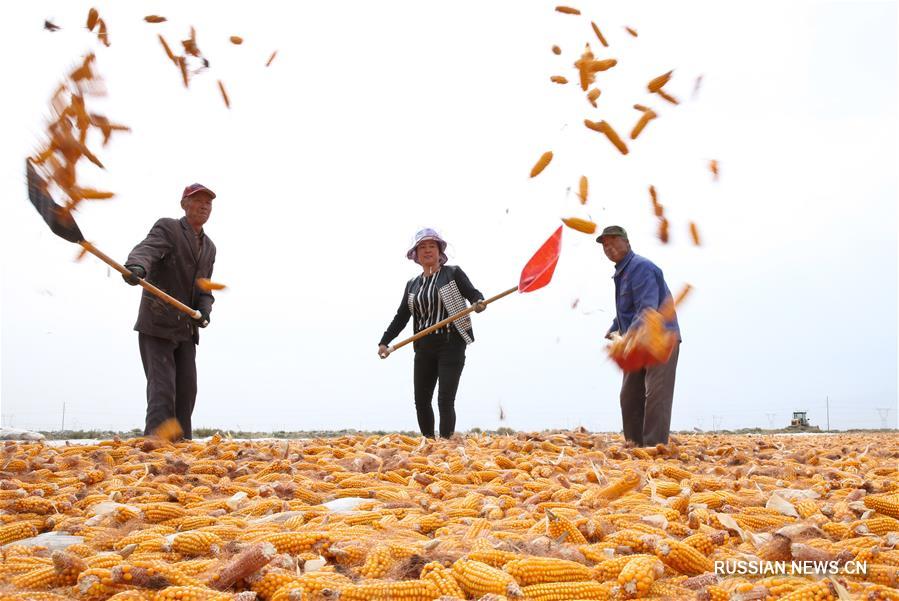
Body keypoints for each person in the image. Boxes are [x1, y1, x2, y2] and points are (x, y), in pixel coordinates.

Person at [122, 184, 217, 440]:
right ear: (184, 204)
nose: (204, 206)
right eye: (197, 200)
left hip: (186, 329)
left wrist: (205, 311)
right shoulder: (169, 228)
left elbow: (204, 288)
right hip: (158, 324)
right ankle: (155, 446)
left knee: (187, 391)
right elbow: (148, 249)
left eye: (208, 202)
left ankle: (181, 446)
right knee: (162, 389)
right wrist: (136, 267)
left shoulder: (209, 247)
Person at [378, 228, 487, 438]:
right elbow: (402, 316)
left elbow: (473, 294)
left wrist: (478, 302)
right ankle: (428, 443)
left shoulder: (452, 273)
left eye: (432, 246)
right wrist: (385, 341)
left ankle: (446, 444)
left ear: (439, 251)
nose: (427, 251)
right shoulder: (413, 284)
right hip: (423, 346)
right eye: (422, 247)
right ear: (416, 254)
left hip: (451, 342)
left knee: (445, 398)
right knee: (421, 399)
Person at [598, 225, 680, 447]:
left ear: (627, 242)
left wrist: (626, 337)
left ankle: (654, 448)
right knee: (629, 397)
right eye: (605, 245)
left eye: (614, 241)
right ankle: (634, 446)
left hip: (660, 339)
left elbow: (647, 309)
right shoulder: (621, 274)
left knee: (656, 395)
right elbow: (629, 309)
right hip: (636, 342)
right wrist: (615, 328)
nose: (609, 247)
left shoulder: (641, 267)